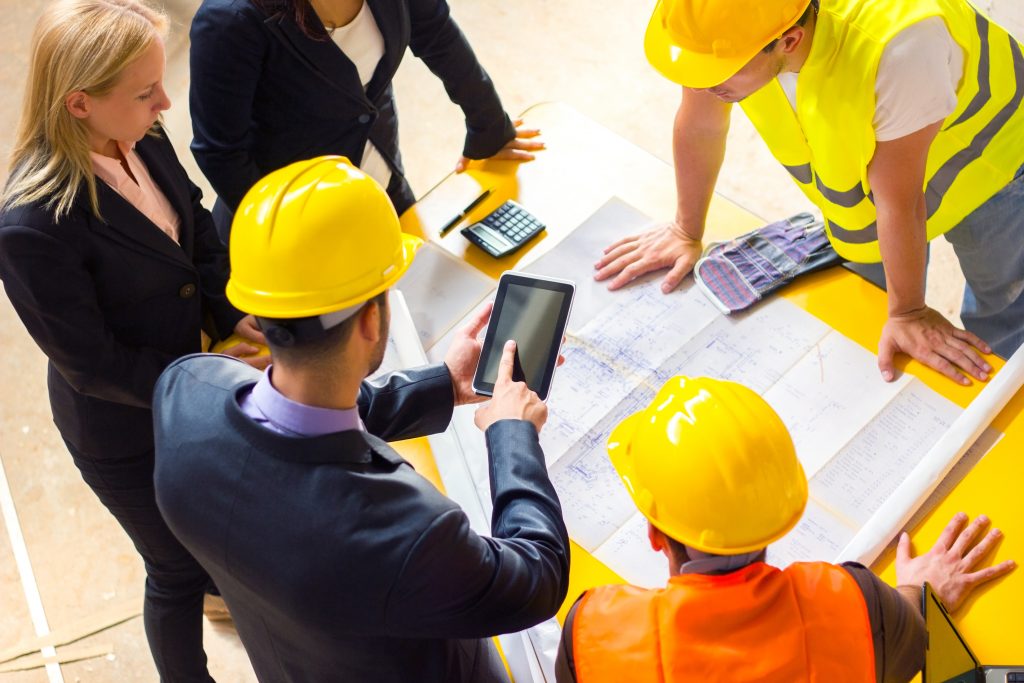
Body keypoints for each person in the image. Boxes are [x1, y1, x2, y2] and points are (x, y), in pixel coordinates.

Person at [151, 156, 571, 682]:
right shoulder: (407, 532)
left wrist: (441, 384)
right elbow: (536, 579)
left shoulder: (184, 394)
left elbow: (296, 419)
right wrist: (514, 434)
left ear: (259, 313)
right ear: (372, 320)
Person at [0, 0, 266, 679]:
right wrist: (203, 376)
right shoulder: (32, 226)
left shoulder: (142, 133)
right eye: (147, 91)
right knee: (173, 568)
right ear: (79, 103)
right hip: (124, 424)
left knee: (218, 533)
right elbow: (93, 363)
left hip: (187, 369)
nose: (166, 101)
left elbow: (195, 225)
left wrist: (225, 306)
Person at [596, 0, 1024, 386]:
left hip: (988, 156)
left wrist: (908, 311)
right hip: (894, 162)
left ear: (789, 40)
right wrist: (685, 229)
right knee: (866, 304)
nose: (703, 86)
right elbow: (702, 124)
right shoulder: (729, 34)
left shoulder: (896, 48)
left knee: (1004, 301)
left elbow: (900, 199)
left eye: (715, 74)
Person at [554, 376, 1015, 682]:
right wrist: (917, 590)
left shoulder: (593, 634)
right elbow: (912, 642)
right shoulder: (853, 604)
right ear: (782, 511)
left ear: (656, 536)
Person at [188, 0, 542, 240]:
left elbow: (437, 34)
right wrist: (289, 238)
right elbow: (221, 152)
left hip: (380, 177)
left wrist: (490, 128)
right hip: (295, 222)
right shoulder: (229, 21)